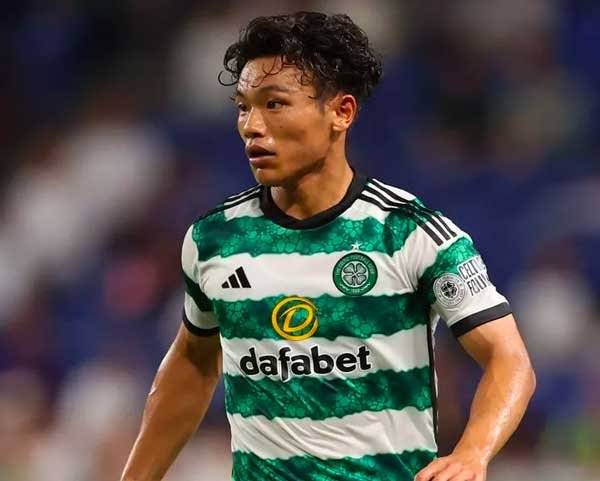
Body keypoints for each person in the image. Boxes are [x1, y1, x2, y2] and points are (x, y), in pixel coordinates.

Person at [121, 12, 536, 481]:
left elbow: (509, 359)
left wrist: (473, 453)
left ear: (341, 112)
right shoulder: (215, 240)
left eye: (274, 104)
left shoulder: (409, 233)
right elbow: (193, 364)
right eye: (243, 107)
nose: (252, 126)